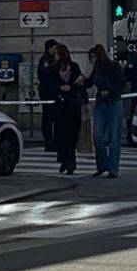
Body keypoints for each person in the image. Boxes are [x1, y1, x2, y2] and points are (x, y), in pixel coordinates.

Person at [85, 45, 126, 178]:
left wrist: (110, 91)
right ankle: (102, 164)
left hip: (114, 102)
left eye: (93, 57)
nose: (92, 60)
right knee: (98, 135)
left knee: (114, 137)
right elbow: (90, 82)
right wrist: (81, 80)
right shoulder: (96, 70)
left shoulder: (113, 66)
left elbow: (122, 84)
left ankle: (113, 168)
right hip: (101, 103)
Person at [47, 43, 84, 174]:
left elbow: (80, 82)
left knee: (72, 135)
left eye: (57, 54)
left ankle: (69, 162)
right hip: (60, 106)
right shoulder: (52, 69)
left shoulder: (74, 67)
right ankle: (66, 161)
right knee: (62, 136)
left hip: (73, 105)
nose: (55, 56)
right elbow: (49, 86)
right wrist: (59, 88)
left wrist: (73, 86)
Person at [36, 39, 59, 145]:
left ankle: (51, 139)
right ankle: (49, 140)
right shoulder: (46, 59)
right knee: (48, 117)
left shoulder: (50, 59)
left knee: (52, 116)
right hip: (47, 91)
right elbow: (44, 75)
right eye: (55, 47)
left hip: (51, 91)